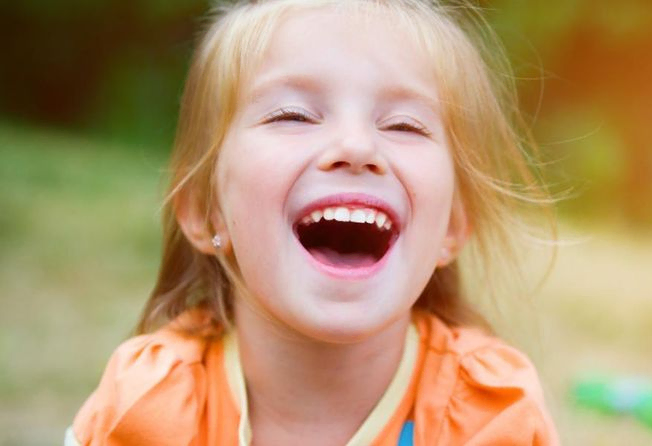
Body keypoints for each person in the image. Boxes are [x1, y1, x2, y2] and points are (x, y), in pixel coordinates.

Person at [66, 0, 560, 444]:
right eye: (293, 115)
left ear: (452, 226)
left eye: (404, 124)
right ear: (203, 208)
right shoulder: (146, 411)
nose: (357, 147)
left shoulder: (491, 419)